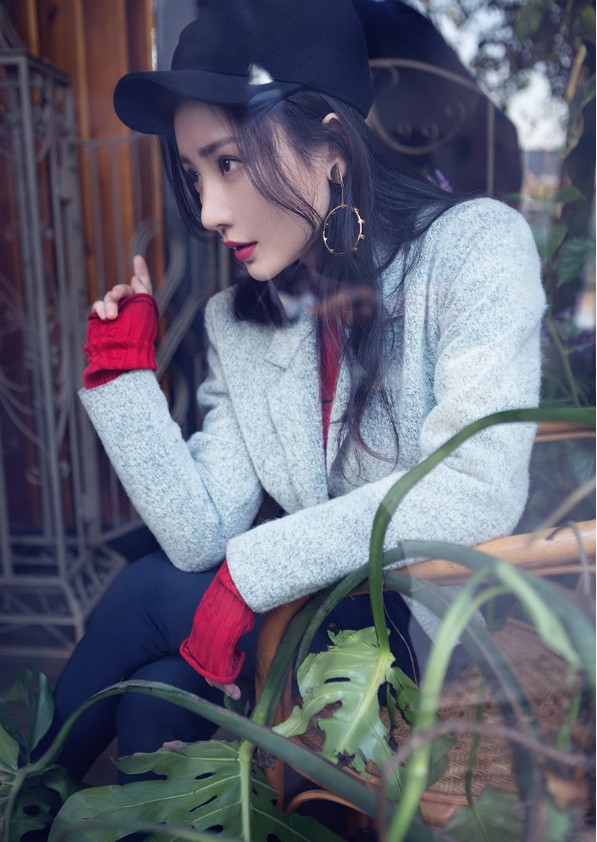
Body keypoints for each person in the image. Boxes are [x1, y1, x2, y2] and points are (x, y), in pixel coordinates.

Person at [48, 0, 545, 781]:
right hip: (309, 611)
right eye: (193, 175)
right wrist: (121, 373)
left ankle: (24, 793)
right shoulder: (241, 318)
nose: (208, 211)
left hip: (425, 622)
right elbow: (199, 536)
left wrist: (253, 573)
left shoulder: (473, 248)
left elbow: (477, 486)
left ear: (332, 150)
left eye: (228, 164)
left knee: (146, 592)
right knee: (152, 705)